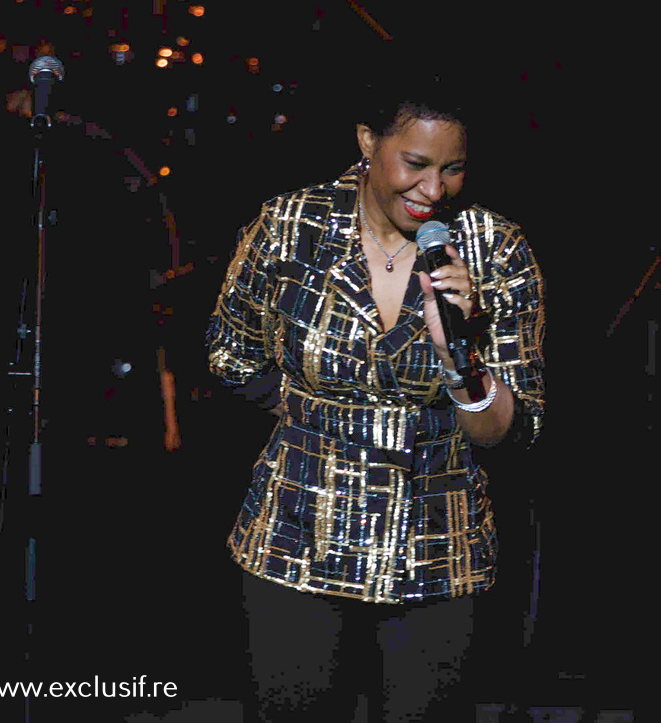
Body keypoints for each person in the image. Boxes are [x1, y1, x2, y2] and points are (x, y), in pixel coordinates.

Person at [206, 70, 545, 721]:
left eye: (453, 169)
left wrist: (462, 364)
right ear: (368, 141)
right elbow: (231, 349)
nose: (433, 189)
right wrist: (315, 417)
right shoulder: (292, 225)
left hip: (437, 541)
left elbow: (515, 427)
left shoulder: (494, 248)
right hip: (297, 528)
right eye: (415, 163)